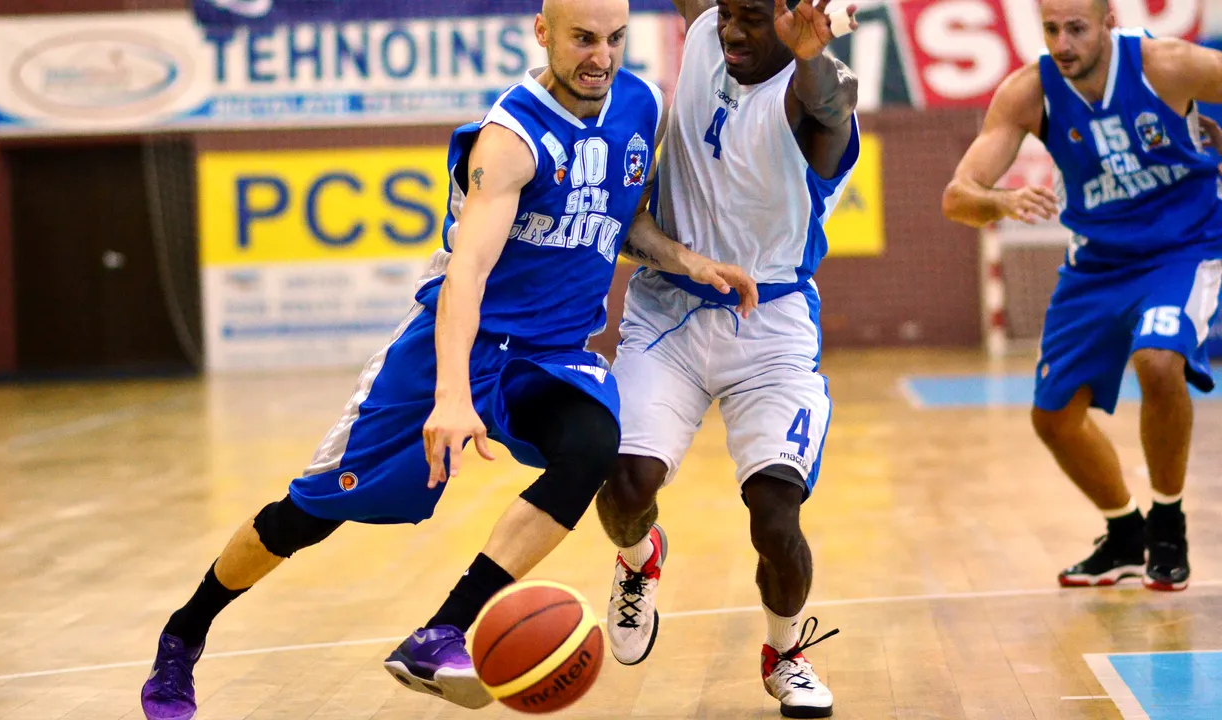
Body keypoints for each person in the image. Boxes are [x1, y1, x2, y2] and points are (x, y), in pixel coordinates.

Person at [139, 1, 759, 718]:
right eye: (583, 39)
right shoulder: (510, 139)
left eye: (615, 38)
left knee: (592, 446)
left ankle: (444, 631)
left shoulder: (640, 104)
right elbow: (465, 273)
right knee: (305, 517)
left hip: (549, 355)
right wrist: (453, 397)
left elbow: (626, 217)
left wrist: (689, 260)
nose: (601, 56)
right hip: (451, 348)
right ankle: (184, 634)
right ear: (543, 34)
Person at [594, 1, 861, 717]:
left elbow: (829, 104)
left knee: (775, 516)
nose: (731, 33)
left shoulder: (819, 95)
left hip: (768, 324)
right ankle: (638, 559)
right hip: (667, 308)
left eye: (751, 19)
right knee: (621, 488)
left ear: (792, 16)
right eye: (726, 16)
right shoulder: (712, 24)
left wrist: (808, 53)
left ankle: (786, 653)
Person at [942, 0, 1222, 592]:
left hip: (1184, 248)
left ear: (1108, 23)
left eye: (1076, 28)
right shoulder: (1027, 92)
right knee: (1053, 419)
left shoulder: (1166, 66)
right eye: (1051, 29)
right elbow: (957, 196)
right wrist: (1001, 200)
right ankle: (1126, 535)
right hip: (1096, 264)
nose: (1063, 43)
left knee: (1158, 360)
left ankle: (1167, 523)